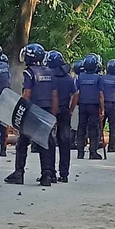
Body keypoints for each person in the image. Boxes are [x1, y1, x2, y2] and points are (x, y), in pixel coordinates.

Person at [4, 43, 58, 186]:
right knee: (45, 143)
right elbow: (54, 95)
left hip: (32, 111)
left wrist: (22, 114)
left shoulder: (29, 73)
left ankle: (19, 173)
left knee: (22, 143)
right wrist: (52, 114)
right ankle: (47, 174)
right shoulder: (49, 72)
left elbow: (27, 94)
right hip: (46, 111)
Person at [48, 50, 76, 182]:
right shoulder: (68, 78)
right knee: (64, 142)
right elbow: (76, 94)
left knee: (49, 141)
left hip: (49, 111)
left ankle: (50, 172)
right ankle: (64, 174)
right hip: (64, 110)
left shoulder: (49, 77)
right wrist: (71, 109)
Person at [72, 54, 104, 160]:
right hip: (94, 106)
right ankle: (93, 152)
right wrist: (102, 109)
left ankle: (80, 152)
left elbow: (76, 94)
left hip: (82, 106)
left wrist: (72, 108)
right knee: (93, 129)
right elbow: (101, 95)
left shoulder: (79, 77)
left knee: (81, 127)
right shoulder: (98, 78)